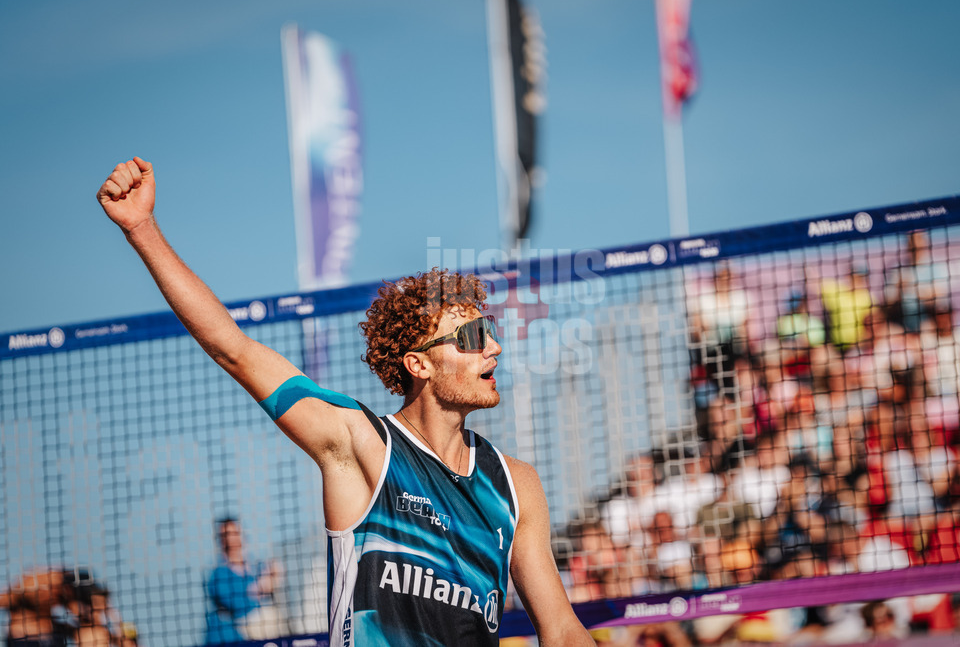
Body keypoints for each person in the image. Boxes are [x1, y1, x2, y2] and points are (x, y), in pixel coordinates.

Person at [97, 158, 594, 646]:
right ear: (418, 364)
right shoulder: (363, 445)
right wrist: (142, 227)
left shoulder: (515, 485)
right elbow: (236, 350)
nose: (495, 347)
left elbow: (562, 630)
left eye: (490, 330)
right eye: (472, 336)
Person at [205, 517, 284, 644]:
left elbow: (274, 580)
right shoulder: (218, 575)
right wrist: (261, 586)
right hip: (227, 640)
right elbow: (239, 604)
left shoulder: (255, 566)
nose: (231, 539)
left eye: (235, 533)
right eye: (226, 535)